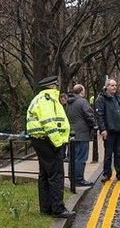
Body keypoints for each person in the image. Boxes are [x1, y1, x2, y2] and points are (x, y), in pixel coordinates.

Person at [26, 76, 75, 218]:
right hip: (49, 142)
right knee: (56, 174)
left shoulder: (39, 99)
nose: (58, 87)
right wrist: (59, 143)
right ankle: (58, 209)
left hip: (41, 140)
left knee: (45, 174)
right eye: (57, 85)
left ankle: (46, 208)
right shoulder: (47, 100)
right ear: (52, 86)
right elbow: (49, 124)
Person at [95, 78, 120, 182]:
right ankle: (107, 174)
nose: (115, 87)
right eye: (112, 85)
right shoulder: (101, 99)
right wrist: (103, 129)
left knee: (118, 154)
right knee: (108, 154)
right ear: (107, 87)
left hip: (119, 130)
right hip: (109, 131)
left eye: (115, 85)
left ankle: (119, 173)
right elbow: (99, 115)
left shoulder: (117, 97)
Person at [64, 84, 96, 187]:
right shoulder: (83, 101)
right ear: (81, 91)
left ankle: (72, 177)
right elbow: (89, 116)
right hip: (82, 133)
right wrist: (94, 124)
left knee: (73, 157)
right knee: (81, 158)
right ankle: (79, 179)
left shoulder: (68, 103)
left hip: (71, 133)